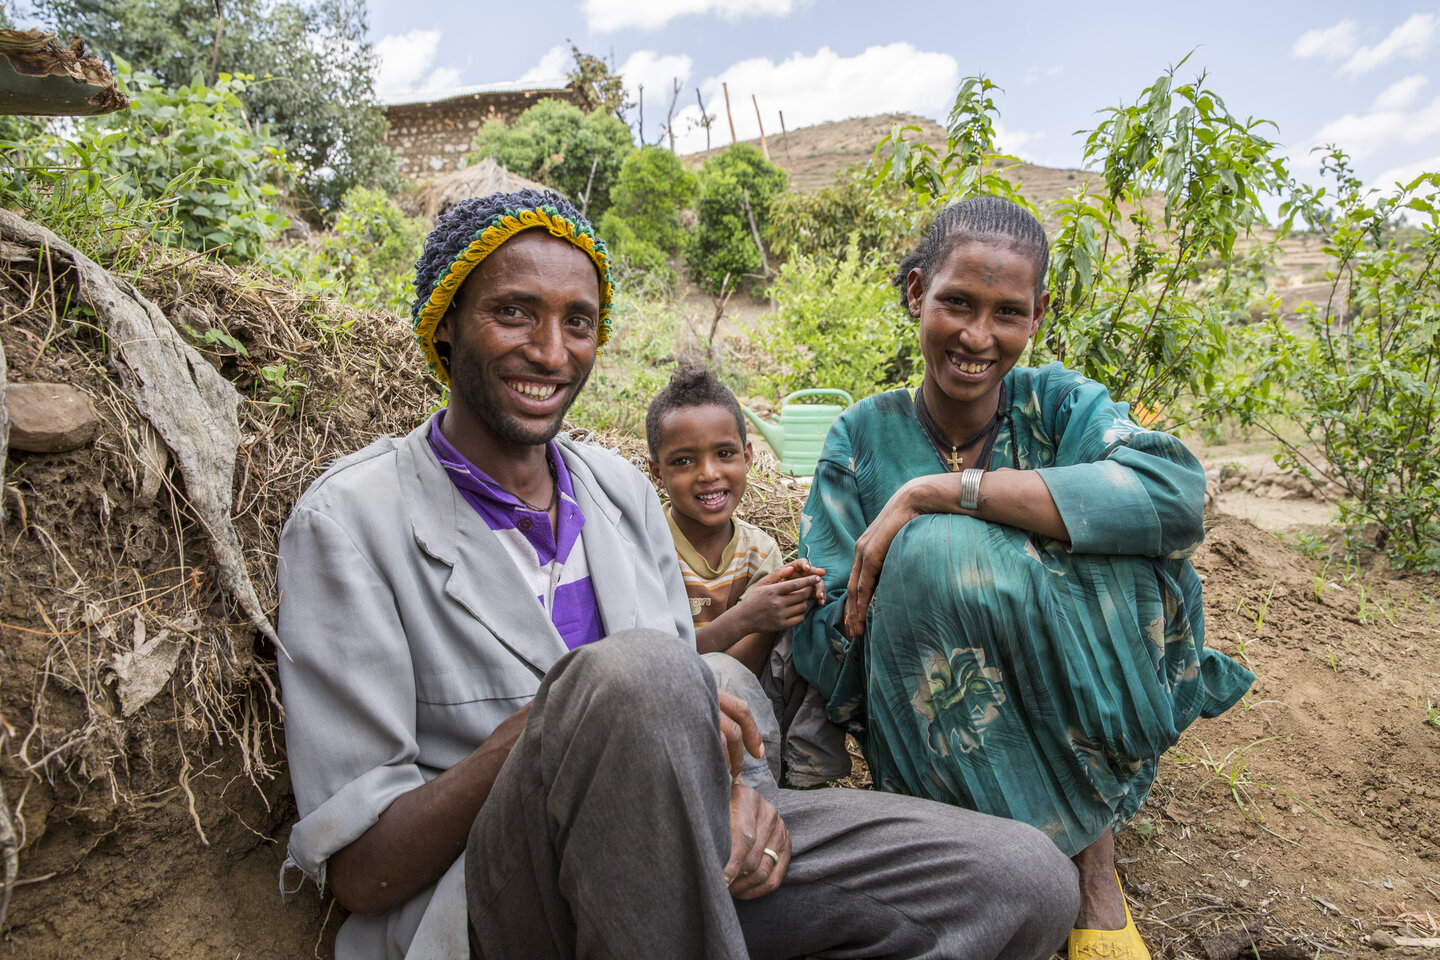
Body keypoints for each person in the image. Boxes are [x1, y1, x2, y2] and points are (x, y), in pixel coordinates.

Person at [275, 189, 1081, 960]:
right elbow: (361, 871)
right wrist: (550, 729)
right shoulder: (351, 523)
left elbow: (705, 707)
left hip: (685, 843)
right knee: (635, 671)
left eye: (578, 322)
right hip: (506, 902)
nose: (550, 352)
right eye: (513, 311)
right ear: (445, 322)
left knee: (1024, 883)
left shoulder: (618, 491)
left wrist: (744, 793)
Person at [792, 195, 1255, 960]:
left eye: (1008, 312)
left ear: (1040, 312)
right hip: (935, 731)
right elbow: (831, 637)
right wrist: (934, 576)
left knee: (1123, 546)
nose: (979, 337)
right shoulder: (862, 439)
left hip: (1075, 709)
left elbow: (1175, 496)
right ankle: (990, 865)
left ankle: (1093, 864)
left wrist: (941, 494)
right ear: (916, 294)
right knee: (928, 562)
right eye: (957, 304)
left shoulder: (1057, 407)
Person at [645, 362, 850, 787]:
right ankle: (760, 791)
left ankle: (807, 773)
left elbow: (750, 666)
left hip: (754, 697)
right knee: (717, 670)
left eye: (724, 454)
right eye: (683, 461)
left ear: (748, 456)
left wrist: (787, 603)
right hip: (680, 711)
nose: (708, 474)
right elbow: (661, 665)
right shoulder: (648, 547)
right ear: (656, 474)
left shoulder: (759, 549)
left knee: (820, 617)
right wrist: (745, 617)